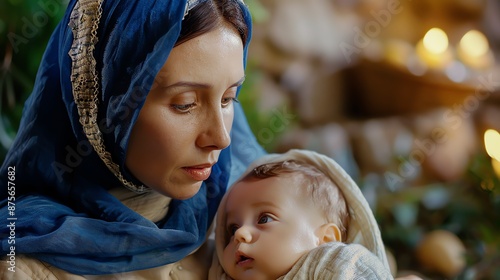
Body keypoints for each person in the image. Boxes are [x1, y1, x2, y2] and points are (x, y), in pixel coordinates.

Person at [0, 0, 265, 278]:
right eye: (185, 104)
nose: (221, 139)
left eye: (228, 99)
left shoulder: (251, 217)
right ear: (102, 103)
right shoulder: (25, 266)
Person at [210, 149, 394, 279]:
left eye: (264, 219)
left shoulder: (332, 263)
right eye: (233, 228)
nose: (240, 234)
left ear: (326, 239)